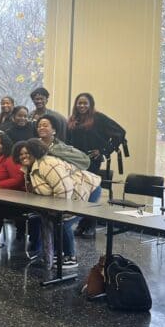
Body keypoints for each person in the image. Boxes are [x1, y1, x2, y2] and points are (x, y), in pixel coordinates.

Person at [13, 138, 101, 269]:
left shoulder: (47, 164)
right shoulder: (28, 168)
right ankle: (56, 254)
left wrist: (59, 212)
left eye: (27, 152)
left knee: (63, 223)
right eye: (20, 154)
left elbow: (64, 188)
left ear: (35, 152)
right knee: (54, 221)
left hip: (88, 189)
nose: (23, 156)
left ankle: (71, 257)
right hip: (69, 194)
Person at [67, 92, 126, 235]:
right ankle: (81, 223)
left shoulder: (98, 118)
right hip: (75, 161)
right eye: (79, 103)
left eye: (85, 103)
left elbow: (120, 132)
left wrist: (103, 150)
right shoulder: (73, 119)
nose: (82, 106)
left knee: (91, 191)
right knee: (79, 191)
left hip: (91, 162)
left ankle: (90, 225)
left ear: (90, 104)